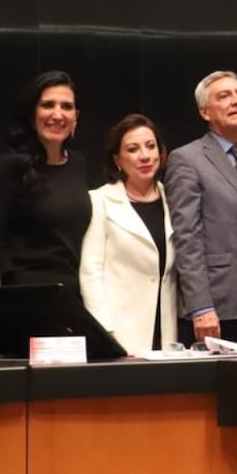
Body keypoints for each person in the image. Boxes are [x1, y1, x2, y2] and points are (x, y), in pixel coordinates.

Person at [165, 70, 237, 345]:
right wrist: (200, 306)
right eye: (224, 96)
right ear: (205, 112)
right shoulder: (187, 159)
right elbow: (186, 237)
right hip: (215, 307)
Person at [80, 114, 177, 356]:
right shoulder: (101, 200)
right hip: (121, 332)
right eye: (133, 149)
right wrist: (106, 332)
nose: (144, 156)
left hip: (167, 333)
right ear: (118, 160)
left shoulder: (174, 199)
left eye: (150, 146)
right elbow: (90, 273)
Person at [0, 71, 91, 292]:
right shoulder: (9, 166)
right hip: (26, 294)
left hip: (73, 291)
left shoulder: (79, 164)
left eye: (66, 106)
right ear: (32, 114)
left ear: (76, 116)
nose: (57, 114)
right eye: (48, 105)